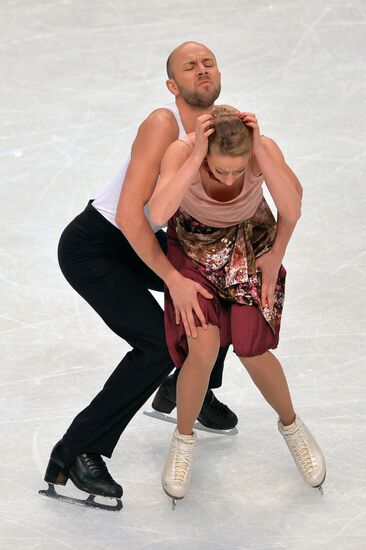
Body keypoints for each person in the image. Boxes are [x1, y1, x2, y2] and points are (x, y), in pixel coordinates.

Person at [42, 42, 241, 507]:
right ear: (173, 86)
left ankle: (188, 385)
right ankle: (76, 450)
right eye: (189, 67)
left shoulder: (221, 126)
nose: (202, 70)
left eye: (208, 62)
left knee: (227, 291)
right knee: (156, 344)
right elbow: (133, 217)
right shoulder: (162, 124)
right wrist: (173, 279)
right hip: (98, 245)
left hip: (143, 242)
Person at [148, 106, 326, 506]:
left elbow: (292, 208)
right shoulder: (184, 152)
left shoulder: (261, 151)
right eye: (219, 169)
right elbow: (158, 214)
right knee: (203, 347)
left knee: (252, 348)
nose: (229, 178)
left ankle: (293, 428)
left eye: (237, 170)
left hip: (251, 245)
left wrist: (277, 253)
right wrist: (195, 157)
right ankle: (184, 439)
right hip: (194, 250)